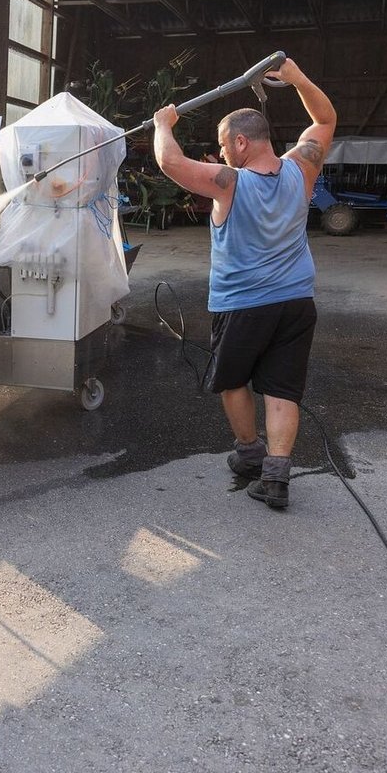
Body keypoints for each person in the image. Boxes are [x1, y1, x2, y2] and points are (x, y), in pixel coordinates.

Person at [152, 58, 335, 509]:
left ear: (239, 141)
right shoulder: (302, 168)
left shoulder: (229, 183)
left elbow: (169, 161)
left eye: (223, 145)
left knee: (234, 381)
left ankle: (250, 454)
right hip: (295, 303)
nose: (223, 154)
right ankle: (276, 478)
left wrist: (163, 123)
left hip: (242, 305)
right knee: (281, 388)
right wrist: (298, 79)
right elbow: (325, 119)